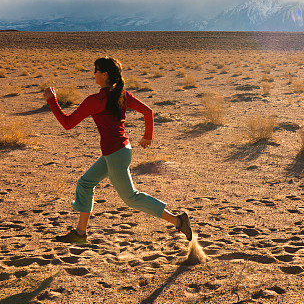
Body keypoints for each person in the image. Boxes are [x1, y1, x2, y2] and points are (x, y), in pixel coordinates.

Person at [43, 56, 192, 244]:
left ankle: (178, 220)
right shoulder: (121, 94)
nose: (94, 74)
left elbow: (67, 123)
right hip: (120, 151)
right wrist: (147, 136)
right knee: (85, 183)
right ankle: (80, 233)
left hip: (115, 154)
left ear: (104, 74)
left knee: (131, 198)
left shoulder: (96, 100)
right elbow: (148, 112)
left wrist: (52, 101)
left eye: (96, 70)